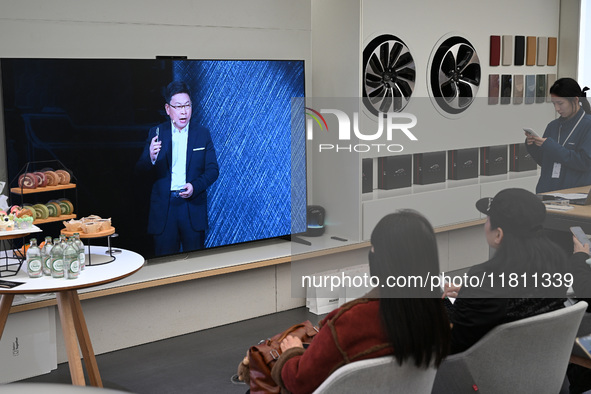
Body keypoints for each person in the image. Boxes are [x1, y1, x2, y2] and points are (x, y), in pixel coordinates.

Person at [270, 210, 451, 394]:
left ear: (384, 261)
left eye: (374, 248)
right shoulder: (437, 315)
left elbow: (299, 382)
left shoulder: (351, 321)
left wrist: (291, 354)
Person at [444, 188, 568, 354]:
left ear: (499, 234)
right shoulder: (557, 261)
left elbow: (454, 344)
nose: (485, 224)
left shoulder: (487, 279)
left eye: (488, 219)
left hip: (479, 371)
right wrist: (470, 294)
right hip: (541, 365)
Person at [137, 81, 219, 256]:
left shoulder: (202, 133)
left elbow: (213, 170)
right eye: (178, 106)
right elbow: (139, 170)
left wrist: (195, 187)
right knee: (165, 264)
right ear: (168, 109)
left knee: (196, 263)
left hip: (192, 206)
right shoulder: (156, 133)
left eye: (187, 105)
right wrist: (150, 157)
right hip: (165, 210)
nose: (183, 111)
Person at [526, 77, 591, 194]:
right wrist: (532, 146)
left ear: (575, 100)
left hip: (574, 196)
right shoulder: (553, 126)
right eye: (554, 104)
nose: (557, 109)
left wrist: (551, 147)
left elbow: (585, 162)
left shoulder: (587, 125)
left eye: (560, 103)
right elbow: (544, 161)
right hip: (547, 193)